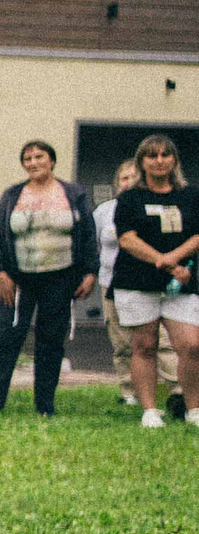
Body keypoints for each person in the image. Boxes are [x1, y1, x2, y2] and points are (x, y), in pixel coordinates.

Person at [0, 140, 95, 418]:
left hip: (60, 278)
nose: (33, 163)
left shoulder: (73, 193)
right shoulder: (12, 195)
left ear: (52, 160)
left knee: (51, 340)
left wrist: (91, 272)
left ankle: (45, 405)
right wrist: (0, 272)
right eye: (27, 159)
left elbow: (88, 234)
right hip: (18, 280)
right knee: (7, 339)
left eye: (39, 157)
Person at [108, 133, 199, 429]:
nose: (159, 161)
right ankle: (149, 410)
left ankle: (194, 408)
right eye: (152, 155)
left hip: (181, 284)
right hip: (136, 282)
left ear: (174, 160)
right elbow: (127, 238)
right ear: (142, 162)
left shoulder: (190, 196)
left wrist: (173, 260)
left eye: (165, 154)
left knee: (191, 346)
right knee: (144, 346)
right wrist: (162, 260)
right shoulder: (130, 198)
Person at [97, 159, 181, 413]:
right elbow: (94, 246)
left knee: (163, 341)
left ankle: (176, 389)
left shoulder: (156, 206)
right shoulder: (103, 211)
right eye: (124, 178)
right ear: (116, 183)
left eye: (134, 177)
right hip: (112, 281)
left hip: (154, 282)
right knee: (122, 342)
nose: (129, 182)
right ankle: (129, 390)